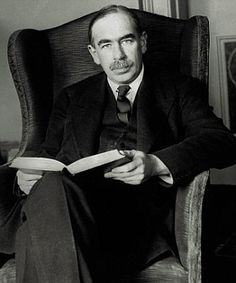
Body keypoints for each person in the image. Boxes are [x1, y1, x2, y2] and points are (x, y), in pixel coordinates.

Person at [2, 4, 236, 283]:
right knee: (50, 189)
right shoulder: (72, 97)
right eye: (106, 45)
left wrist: (155, 163)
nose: (119, 55)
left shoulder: (179, 88)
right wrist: (24, 179)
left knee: (35, 232)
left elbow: (221, 141)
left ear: (143, 42)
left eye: (127, 40)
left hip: (131, 224)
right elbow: (47, 155)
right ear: (94, 54)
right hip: (69, 208)